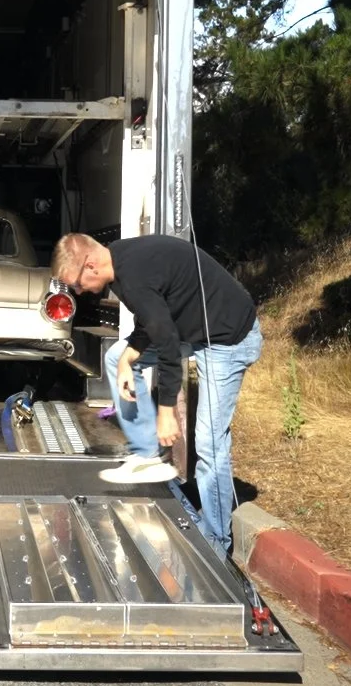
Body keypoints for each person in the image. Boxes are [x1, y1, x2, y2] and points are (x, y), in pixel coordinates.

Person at [52, 232, 262, 557]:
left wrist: (167, 411)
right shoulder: (119, 264)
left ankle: (216, 543)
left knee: (209, 442)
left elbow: (166, 345)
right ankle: (148, 454)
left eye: (77, 284)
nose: (79, 292)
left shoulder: (133, 275)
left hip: (227, 339)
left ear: (90, 264)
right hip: (191, 331)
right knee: (114, 358)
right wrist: (127, 357)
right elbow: (152, 320)